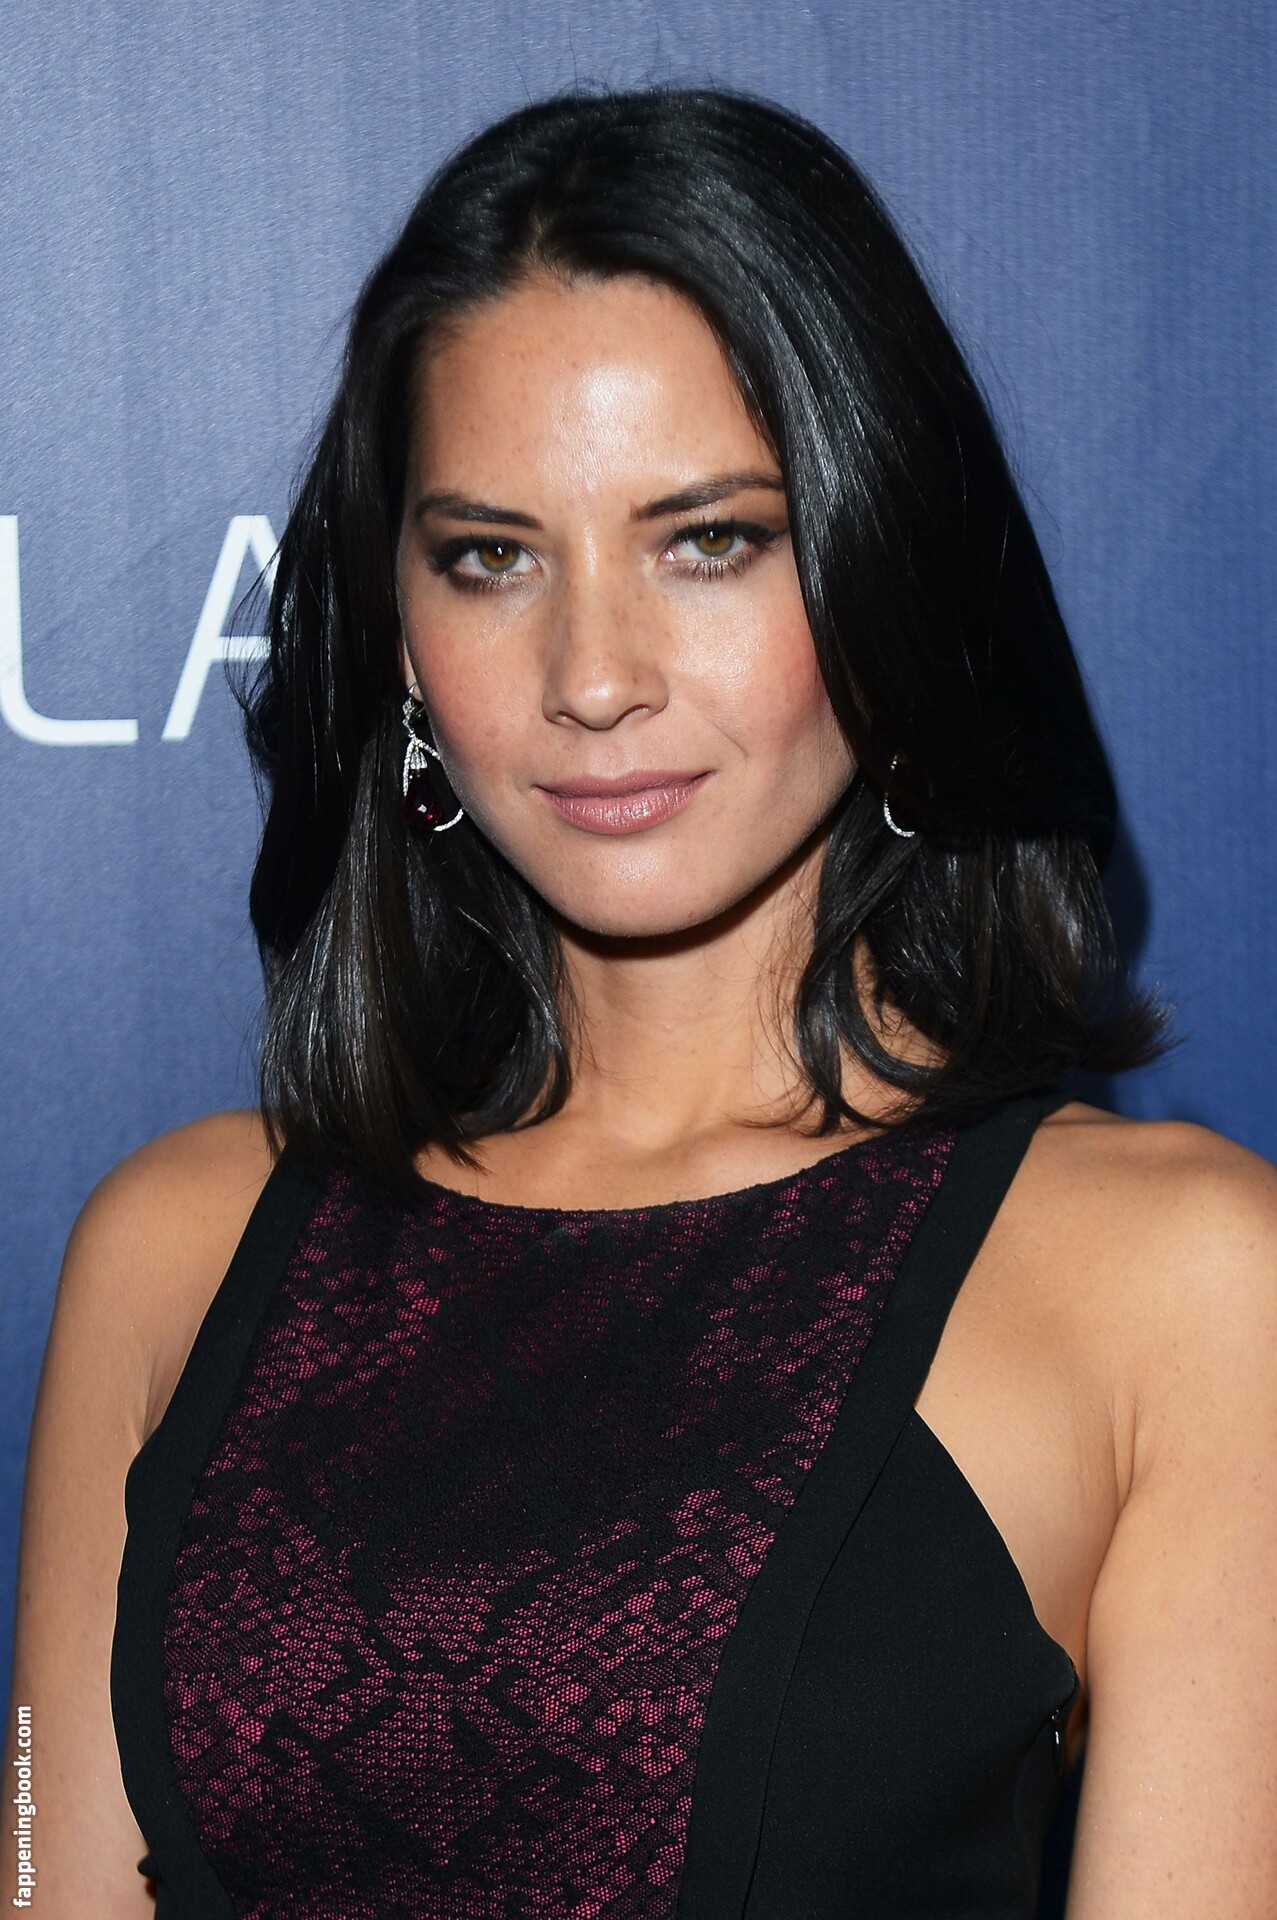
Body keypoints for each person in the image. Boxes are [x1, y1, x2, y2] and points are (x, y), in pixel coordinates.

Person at [3, 81, 1274, 1920]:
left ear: (884, 562)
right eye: (489, 557)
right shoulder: (174, 1246)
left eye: (707, 540)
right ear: (402, 640)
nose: (591, 676)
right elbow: (50, 1863)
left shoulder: (1178, 1281)